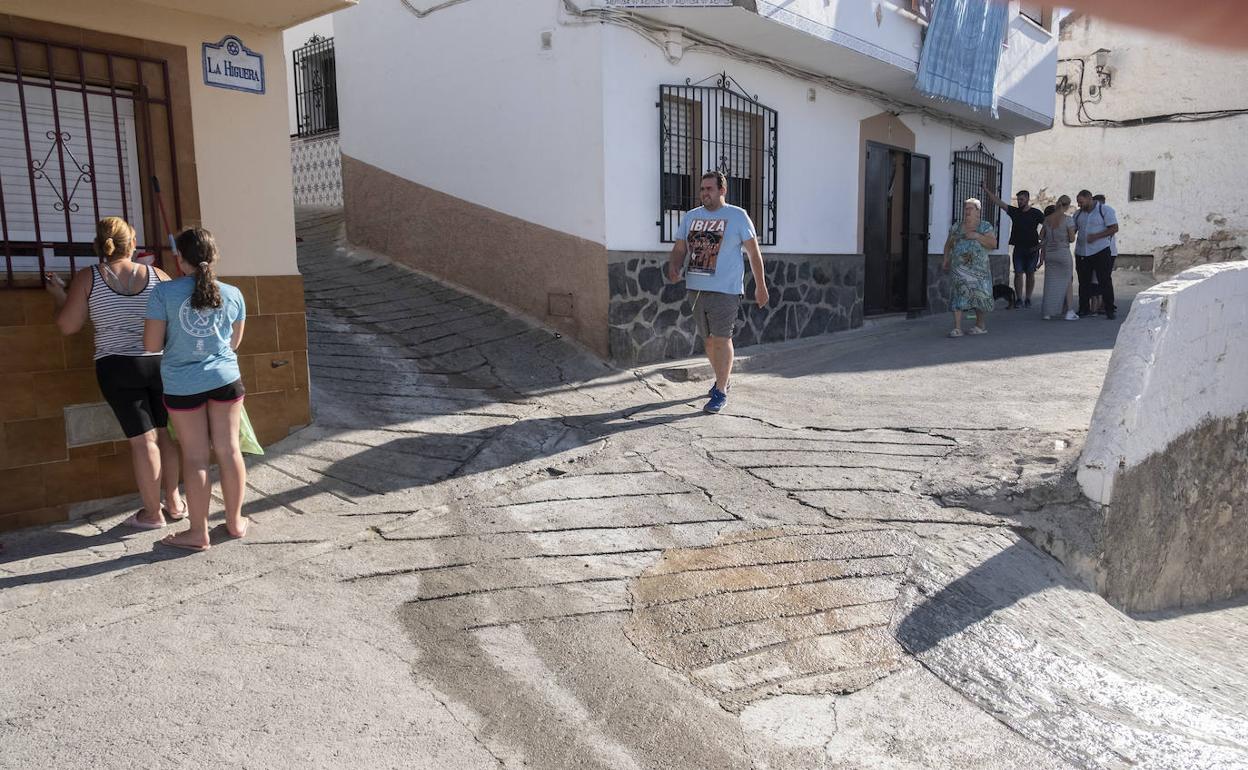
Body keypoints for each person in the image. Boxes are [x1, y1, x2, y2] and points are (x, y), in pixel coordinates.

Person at [44, 217, 184, 529]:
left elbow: (68, 326)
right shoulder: (158, 275)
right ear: (132, 244)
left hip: (117, 366)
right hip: (160, 363)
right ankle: (174, 502)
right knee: (165, 435)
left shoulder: (88, 278)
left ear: (100, 245)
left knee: (142, 441)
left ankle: (152, 514)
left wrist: (59, 297)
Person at [144, 228, 248, 551]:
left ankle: (198, 533)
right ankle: (234, 522)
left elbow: (150, 345)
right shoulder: (234, 294)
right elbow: (235, 342)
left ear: (180, 259)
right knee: (230, 450)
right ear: (213, 257)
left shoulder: (164, 294)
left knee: (196, 457)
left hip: (182, 386)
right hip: (225, 380)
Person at [666, 171, 769, 414]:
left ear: (722, 191)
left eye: (709, 188)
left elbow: (754, 254)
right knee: (709, 342)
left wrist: (761, 286)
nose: (704, 193)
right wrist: (673, 265)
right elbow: (680, 247)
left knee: (722, 339)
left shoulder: (737, 216)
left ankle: (720, 391)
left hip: (726, 289)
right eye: (702, 189)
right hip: (696, 288)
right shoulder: (691, 217)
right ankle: (723, 378)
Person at [942, 198, 998, 337]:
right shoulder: (957, 227)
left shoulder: (985, 226)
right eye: (966, 208)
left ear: (978, 211)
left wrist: (977, 236)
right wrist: (946, 259)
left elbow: (993, 244)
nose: (967, 211)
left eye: (970, 208)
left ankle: (980, 325)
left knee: (979, 296)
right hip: (959, 269)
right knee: (957, 294)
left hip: (979, 270)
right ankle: (957, 328)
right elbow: (948, 244)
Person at [982, 185, 1045, 308]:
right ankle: (1019, 299)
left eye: (1021, 199)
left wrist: (1042, 241)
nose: (1019, 202)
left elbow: (1047, 225)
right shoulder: (1015, 212)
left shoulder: (1036, 213)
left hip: (1033, 248)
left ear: (1027, 199)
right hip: (1019, 248)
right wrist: (986, 189)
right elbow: (999, 203)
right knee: (1018, 273)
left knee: (1030, 274)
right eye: (1018, 199)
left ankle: (1028, 298)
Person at [1073, 189, 1119, 319]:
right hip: (1082, 252)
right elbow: (1074, 230)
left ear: (1089, 198)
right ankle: (1084, 308)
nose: (1079, 205)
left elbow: (1114, 228)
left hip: (1100, 250)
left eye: (1081, 202)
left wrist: (1097, 236)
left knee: (1104, 280)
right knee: (1083, 282)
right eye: (1078, 202)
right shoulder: (1078, 214)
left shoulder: (1104, 210)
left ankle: (1109, 309)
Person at [1039, 196, 1079, 321]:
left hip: (1050, 254)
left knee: (1049, 282)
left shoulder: (1047, 219)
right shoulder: (1068, 220)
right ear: (1067, 205)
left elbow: (1041, 236)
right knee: (1067, 282)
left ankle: (1047, 312)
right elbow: (1072, 239)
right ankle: (1069, 311)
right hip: (1062, 252)